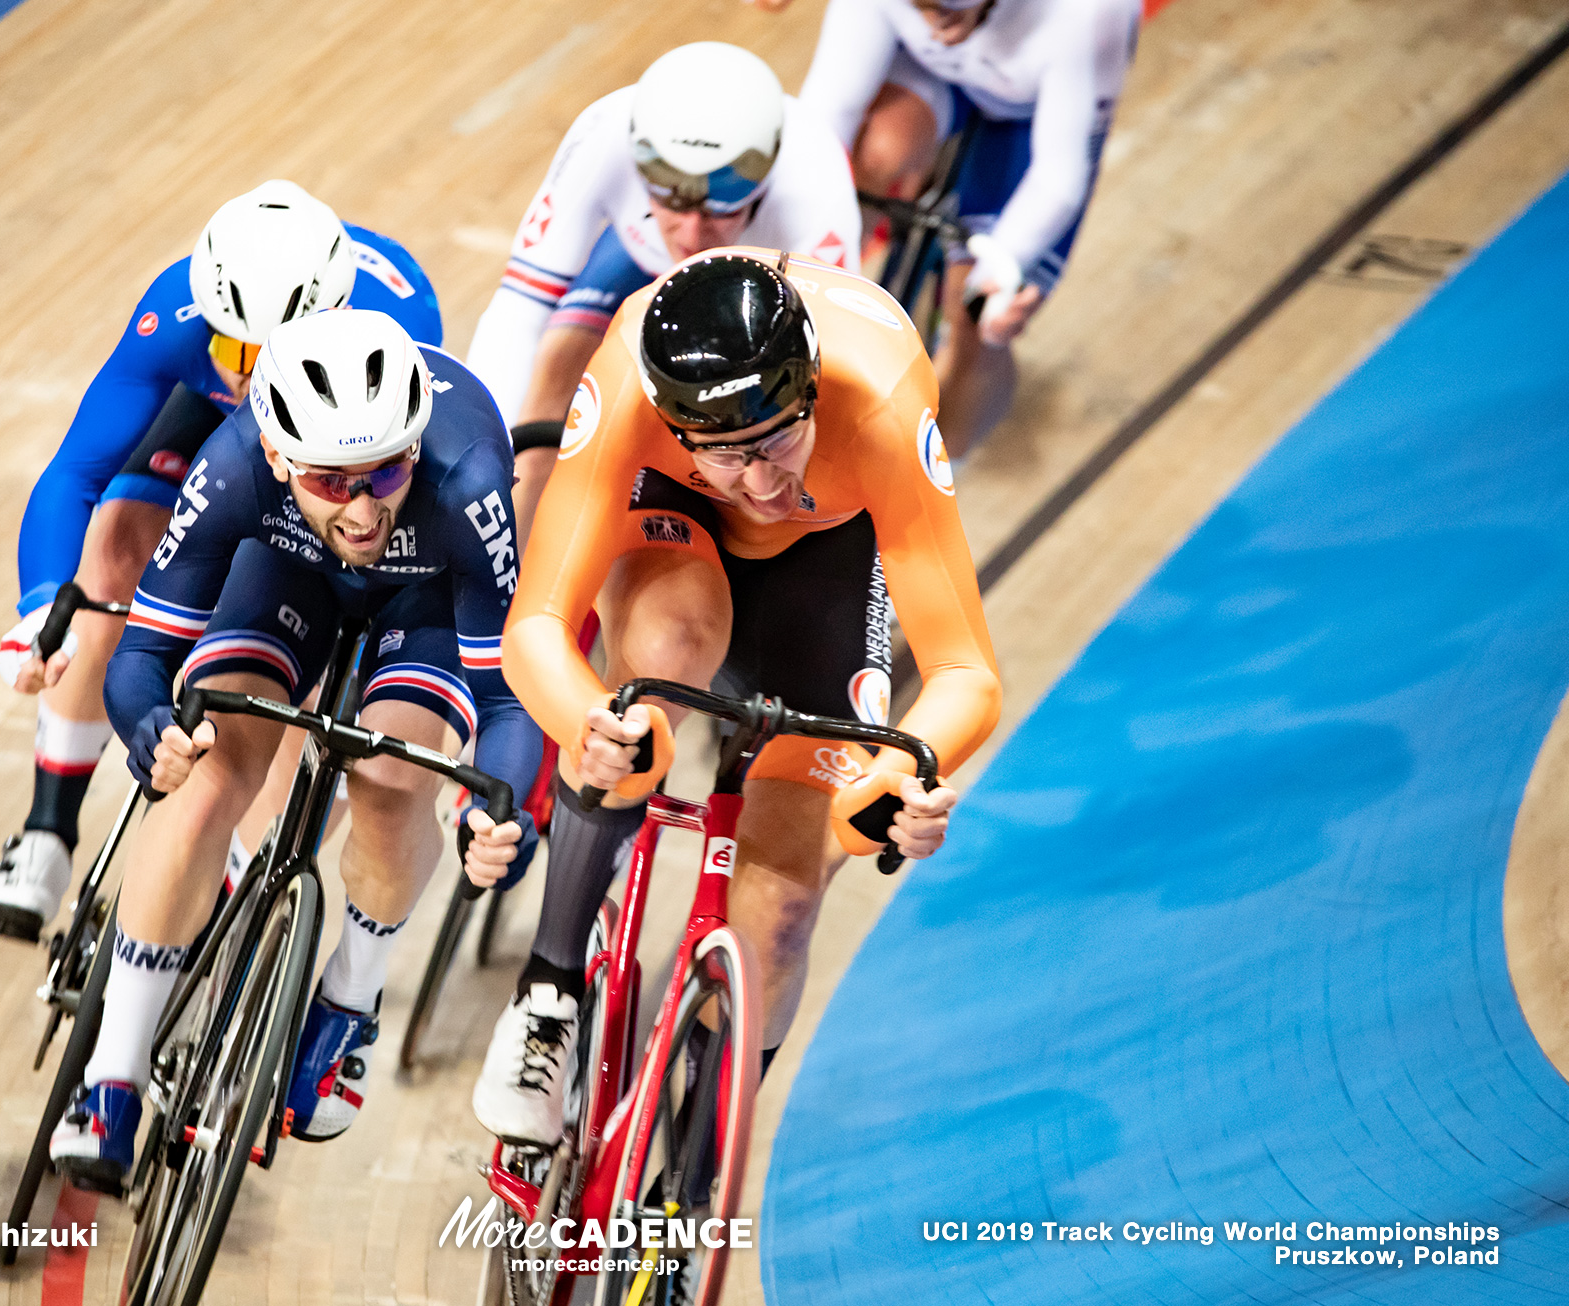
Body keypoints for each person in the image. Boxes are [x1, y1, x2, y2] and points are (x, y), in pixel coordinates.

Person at [462, 251, 1002, 1147]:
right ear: (677, 424)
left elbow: (963, 674)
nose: (760, 484)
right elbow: (536, 629)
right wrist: (590, 726)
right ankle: (549, 992)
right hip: (673, 523)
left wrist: (907, 775)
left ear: (810, 396)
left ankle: (691, 1162)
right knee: (658, 666)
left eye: (778, 442)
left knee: (786, 897)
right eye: (725, 454)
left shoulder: (881, 397)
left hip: (825, 561)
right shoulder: (630, 376)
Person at [48, 309, 542, 1189]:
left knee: (393, 778)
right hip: (286, 573)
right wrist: (149, 732)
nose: (361, 507)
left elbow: (508, 700)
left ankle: (351, 997)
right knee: (206, 780)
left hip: (421, 603)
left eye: (387, 469)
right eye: (330, 479)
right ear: (277, 457)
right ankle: (111, 1077)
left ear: (416, 445)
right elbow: (143, 660)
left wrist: (498, 803)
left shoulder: (466, 480)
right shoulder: (235, 463)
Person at [0, 180, 442, 943]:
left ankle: (218, 878)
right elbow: (74, 474)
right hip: (219, 433)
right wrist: (40, 608)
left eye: (266, 354)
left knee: (312, 664)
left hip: (333, 438)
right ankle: (47, 830)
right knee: (119, 544)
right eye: (234, 348)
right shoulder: (182, 313)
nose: (249, 371)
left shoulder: (395, 331)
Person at [463, 41, 861, 547]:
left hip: (759, 304)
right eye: (670, 201)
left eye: (723, 210)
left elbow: (832, 361)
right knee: (550, 381)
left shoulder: (812, 177)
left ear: (763, 183)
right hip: (638, 267)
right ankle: (507, 571)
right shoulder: (604, 133)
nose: (692, 234)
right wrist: (477, 458)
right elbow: (521, 307)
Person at [797, 0, 1142, 454]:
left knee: (977, 322)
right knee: (873, 155)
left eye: (945, 7)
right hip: (931, 75)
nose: (937, 26)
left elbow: (1058, 182)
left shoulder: (1090, 13)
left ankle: (946, 457)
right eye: (921, 5)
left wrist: (991, 285)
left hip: (1037, 109)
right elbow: (827, 114)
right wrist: (803, 255)